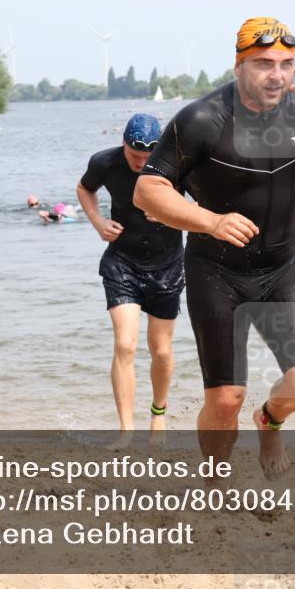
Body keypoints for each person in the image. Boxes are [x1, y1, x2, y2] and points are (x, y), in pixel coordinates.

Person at [133, 17, 295, 477]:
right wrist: (211, 220)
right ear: (239, 66)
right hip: (217, 273)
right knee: (225, 399)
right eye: (264, 63)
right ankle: (215, 480)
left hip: (282, 266)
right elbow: (148, 191)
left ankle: (269, 422)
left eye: (287, 64)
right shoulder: (202, 119)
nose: (277, 74)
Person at [77, 113, 184, 449]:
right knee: (125, 345)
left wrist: (172, 209)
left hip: (167, 265)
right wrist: (98, 222)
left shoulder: (176, 164)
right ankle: (125, 429)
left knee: (162, 351)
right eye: (134, 154)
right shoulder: (105, 162)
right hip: (122, 262)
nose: (140, 162)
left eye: (146, 156)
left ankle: (158, 411)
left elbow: (208, 203)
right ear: (123, 143)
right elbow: (84, 189)